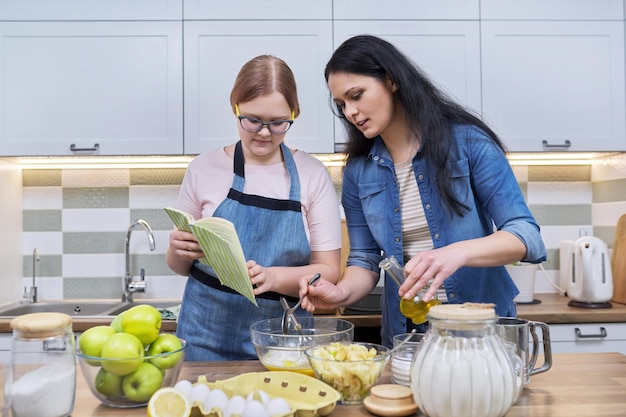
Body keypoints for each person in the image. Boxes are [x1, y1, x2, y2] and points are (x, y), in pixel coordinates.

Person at [299, 35, 547, 348]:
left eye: (357, 95)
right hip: (408, 336)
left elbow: (526, 235)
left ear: (390, 80)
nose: (350, 111)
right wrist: (340, 293)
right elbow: (363, 260)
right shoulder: (358, 171)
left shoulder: (467, 143)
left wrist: (457, 253)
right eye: (341, 105)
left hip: (483, 330)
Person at [166, 54, 342, 361]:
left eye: (278, 123)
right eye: (252, 120)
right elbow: (180, 268)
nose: (263, 132)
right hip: (202, 336)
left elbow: (330, 271)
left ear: (294, 113)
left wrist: (272, 278)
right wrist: (177, 249)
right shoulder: (202, 168)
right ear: (234, 107)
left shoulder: (313, 174)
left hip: (282, 340)